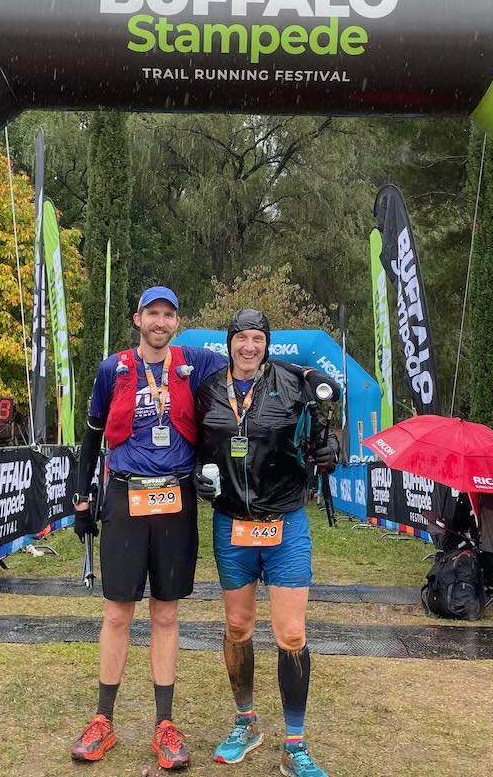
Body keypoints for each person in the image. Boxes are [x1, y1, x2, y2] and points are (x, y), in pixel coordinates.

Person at [69, 285, 227, 770]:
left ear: (176, 321)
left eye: (169, 314)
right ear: (137, 319)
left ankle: (164, 724)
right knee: (118, 613)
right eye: (152, 313)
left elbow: (247, 367)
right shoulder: (111, 369)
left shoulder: (193, 362)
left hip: (176, 496)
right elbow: (91, 434)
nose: (160, 322)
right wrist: (81, 497)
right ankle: (103, 721)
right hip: (125, 492)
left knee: (166, 614)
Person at [192, 309, 339, 777]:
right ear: (229, 342)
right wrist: (198, 477)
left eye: (257, 338)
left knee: (291, 634)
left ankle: (294, 744)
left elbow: (322, 436)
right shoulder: (210, 389)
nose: (249, 347)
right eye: (241, 338)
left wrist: (329, 450)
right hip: (231, 525)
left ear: (266, 343)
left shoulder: (294, 384)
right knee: (237, 627)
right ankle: (246, 723)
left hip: (285, 523)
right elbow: (198, 451)